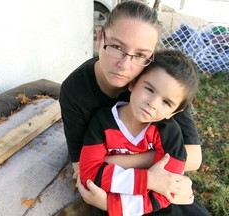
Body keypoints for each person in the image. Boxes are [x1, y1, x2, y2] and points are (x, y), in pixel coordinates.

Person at [59, 0, 204, 214]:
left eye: (140, 55)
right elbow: (82, 169)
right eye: (117, 47)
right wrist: (151, 174)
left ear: (151, 57)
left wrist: (110, 162)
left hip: (156, 187)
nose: (125, 65)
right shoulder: (75, 90)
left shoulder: (159, 81)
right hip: (119, 189)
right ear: (100, 38)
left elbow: (193, 157)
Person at [79, 50, 210, 215]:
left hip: (153, 204)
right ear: (133, 83)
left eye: (166, 102)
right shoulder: (102, 122)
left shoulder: (170, 133)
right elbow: (89, 173)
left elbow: (170, 187)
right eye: (149, 89)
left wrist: (121, 205)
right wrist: (149, 179)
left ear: (174, 112)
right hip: (110, 201)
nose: (153, 103)